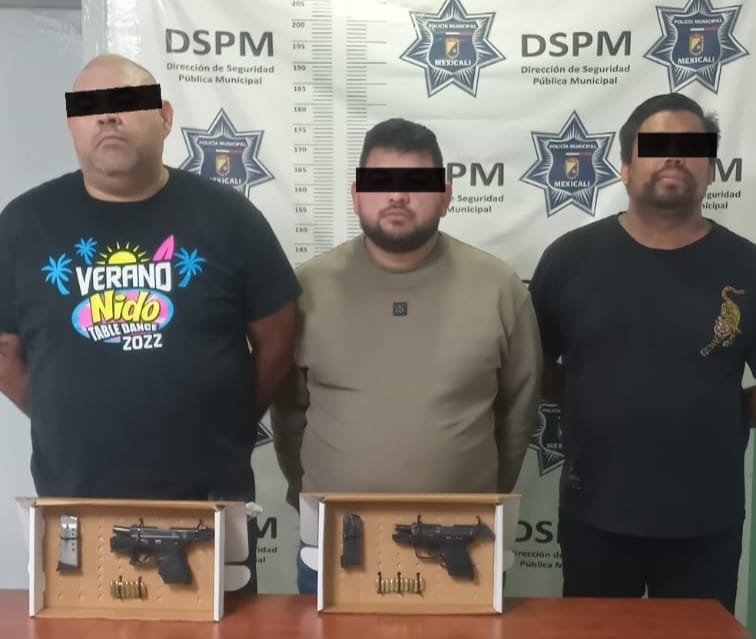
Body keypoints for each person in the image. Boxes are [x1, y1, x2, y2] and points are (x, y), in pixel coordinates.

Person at [0, 54, 300, 591]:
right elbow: (4, 352)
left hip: (208, 504)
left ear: (164, 117)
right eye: (89, 108)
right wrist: (58, 412)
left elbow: (278, 332)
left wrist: (228, 415)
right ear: (72, 125)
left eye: (126, 103)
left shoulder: (230, 218)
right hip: (76, 508)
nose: (107, 117)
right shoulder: (22, 224)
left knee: (223, 626)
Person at [271, 117, 543, 592]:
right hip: (335, 544)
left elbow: (518, 414)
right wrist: (310, 491)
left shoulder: (499, 288)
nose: (397, 196)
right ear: (356, 195)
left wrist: (477, 494)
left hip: (463, 542)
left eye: (416, 182)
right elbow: (289, 412)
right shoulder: (306, 289)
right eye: (381, 182)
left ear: (446, 196)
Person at [528, 93, 755, 613]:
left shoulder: (747, 267)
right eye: (657, 146)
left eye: (691, 148)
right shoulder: (569, 259)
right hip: (595, 515)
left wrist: (723, 411)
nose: (674, 156)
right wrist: (590, 395)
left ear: (711, 171)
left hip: (707, 519)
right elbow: (532, 367)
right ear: (626, 168)